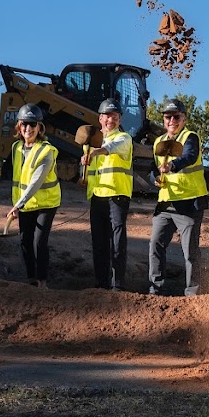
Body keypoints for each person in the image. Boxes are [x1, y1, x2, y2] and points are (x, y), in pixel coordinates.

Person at [147, 98, 207, 296]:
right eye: (167, 117)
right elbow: (150, 169)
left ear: (184, 118)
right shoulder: (158, 142)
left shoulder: (190, 137)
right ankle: (155, 290)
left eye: (176, 117)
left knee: (190, 252)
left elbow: (189, 157)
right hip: (165, 204)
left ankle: (192, 293)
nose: (172, 120)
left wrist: (172, 165)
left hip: (189, 204)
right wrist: (155, 177)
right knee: (155, 245)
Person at [6, 104, 59, 288]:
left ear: (39, 127)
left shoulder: (47, 151)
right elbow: (18, 179)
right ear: (19, 127)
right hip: (25, 204)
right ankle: (31, 281)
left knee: (39, 242)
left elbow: (36, 181)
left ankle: (42, 282)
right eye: (24, 125)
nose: (28, 129)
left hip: (46, 203)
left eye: (32, 125)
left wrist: (17, 205)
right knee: (25, 241)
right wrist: (18, 204)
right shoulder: (16, 148)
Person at [83, 98, 133, 291]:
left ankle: (118, 286)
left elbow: (110, 149)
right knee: (99, 242)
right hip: (97, 197)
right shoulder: (91, 143)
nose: (110, 120)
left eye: (115, 116)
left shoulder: (124, 138)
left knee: (117, 242)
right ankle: (101, 284)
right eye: (107, 116)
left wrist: (96, 152)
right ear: (100, 118)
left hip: (117, 196)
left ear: (119, 119)